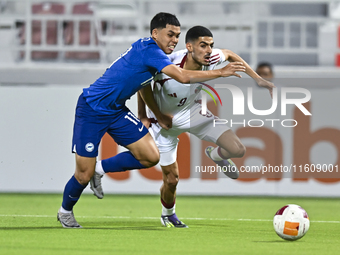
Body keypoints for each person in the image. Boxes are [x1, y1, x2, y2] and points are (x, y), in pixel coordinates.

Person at [57, 13, 247, 228]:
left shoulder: (154, 53)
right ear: (155, 33)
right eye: (170, 34)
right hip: (91, 108)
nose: (174, 40)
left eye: (177, 35)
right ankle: (65, 211)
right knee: (83, 174)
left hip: (116, 110)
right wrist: (221, 73)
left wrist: (144, 114)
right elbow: (183, 77)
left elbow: (143, 83)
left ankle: (99, 169)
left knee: (150, 156)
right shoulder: (151, 51)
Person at [90, 26, 275, 228]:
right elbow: (143, 85)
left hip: (192, 113)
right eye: (203, 45)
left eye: (211, 46)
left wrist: (258, 79)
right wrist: (149, 115)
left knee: (238, 149)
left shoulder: (211, 59)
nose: (209, 50)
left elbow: (230, 54)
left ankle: (215, 155)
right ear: (189, 47)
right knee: (171, 179)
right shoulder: (168, 63)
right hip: (164, 121)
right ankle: (167, 213)